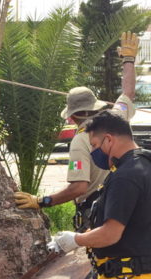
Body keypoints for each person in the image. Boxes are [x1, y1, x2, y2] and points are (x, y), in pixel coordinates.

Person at [13, 31, 138, 232]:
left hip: (100, 212)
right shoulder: (118, 117)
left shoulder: (82, 139)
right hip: (129, 206)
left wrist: (42, 200)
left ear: (72, 116)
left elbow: (79, 187)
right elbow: (128, 92)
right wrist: (129, 59)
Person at [49, 111, 151, 279]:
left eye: (95, 145)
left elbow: (111, 234)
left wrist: (74, 240)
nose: (94, 151)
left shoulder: (125, 177)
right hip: (141, 277)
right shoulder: (145, 165)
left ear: (109, 139)